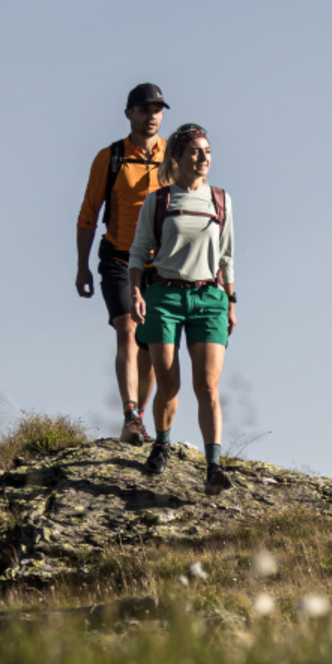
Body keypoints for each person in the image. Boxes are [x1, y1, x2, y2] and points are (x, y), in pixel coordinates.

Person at [126, 123, 236, 494]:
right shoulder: (158, 201)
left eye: (207, 151)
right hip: (165, 297)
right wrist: (136, 293)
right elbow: (138, 251)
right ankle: (162, 444)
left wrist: (231, 301)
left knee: (207, 385)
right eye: (195, 151)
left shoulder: (221, 200)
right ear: (178, 157)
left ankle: (213, 465)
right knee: (169, 382)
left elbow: (227, 256)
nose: (203, 157)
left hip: (209, 299)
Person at [76, 83, 171, 445]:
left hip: (160, 266)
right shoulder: (111, 157)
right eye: (144, 110)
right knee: (127, 329)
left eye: (157, 110)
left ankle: (139, 419)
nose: (151, 116)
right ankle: (130, 414)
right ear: (129, 113)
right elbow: (89, 213)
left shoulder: (173, 157)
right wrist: (82, 266)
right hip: (118, 258)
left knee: (151, 343)